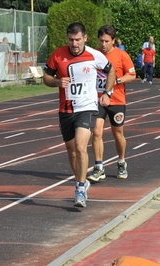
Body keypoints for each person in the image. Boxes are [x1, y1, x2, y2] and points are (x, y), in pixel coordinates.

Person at [43, 22, 116, 208]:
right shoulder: (58, 55)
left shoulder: (94, 55)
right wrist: (58, 82)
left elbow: (111, 71)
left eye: (77, 40)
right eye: (70, 40)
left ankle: (80, 188)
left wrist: (107, 93)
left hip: (87, 108)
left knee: (81, 146)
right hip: (65, 110)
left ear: (85, 38)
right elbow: (46, 78)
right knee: (71, 150)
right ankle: (81, 180)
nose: (74, 44)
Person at [86, 25, 135, 183]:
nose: (103, 44)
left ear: (113, 41)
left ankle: (121, 162)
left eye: (107, 41)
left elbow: (132, 75)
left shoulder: (121, 55)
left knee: (117, 134)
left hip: (117, 100)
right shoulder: (93, 54)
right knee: (97, 132)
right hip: (98, 99)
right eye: (101, 41)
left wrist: (116, 80)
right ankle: (99, 167)